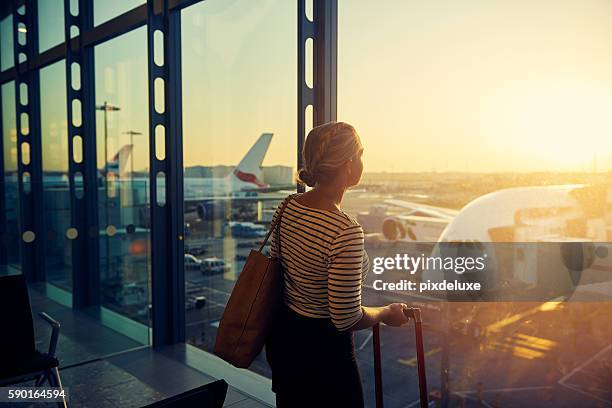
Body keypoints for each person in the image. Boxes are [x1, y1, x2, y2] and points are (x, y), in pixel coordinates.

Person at [265, 121, 411, 407]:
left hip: (286, 343)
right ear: (348, 164)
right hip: (324, 358)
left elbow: (280, 264)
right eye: (360, 154)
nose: (362, 162)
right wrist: (384, 313)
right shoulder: (344, 230)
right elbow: (344, 318)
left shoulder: (287, 206)